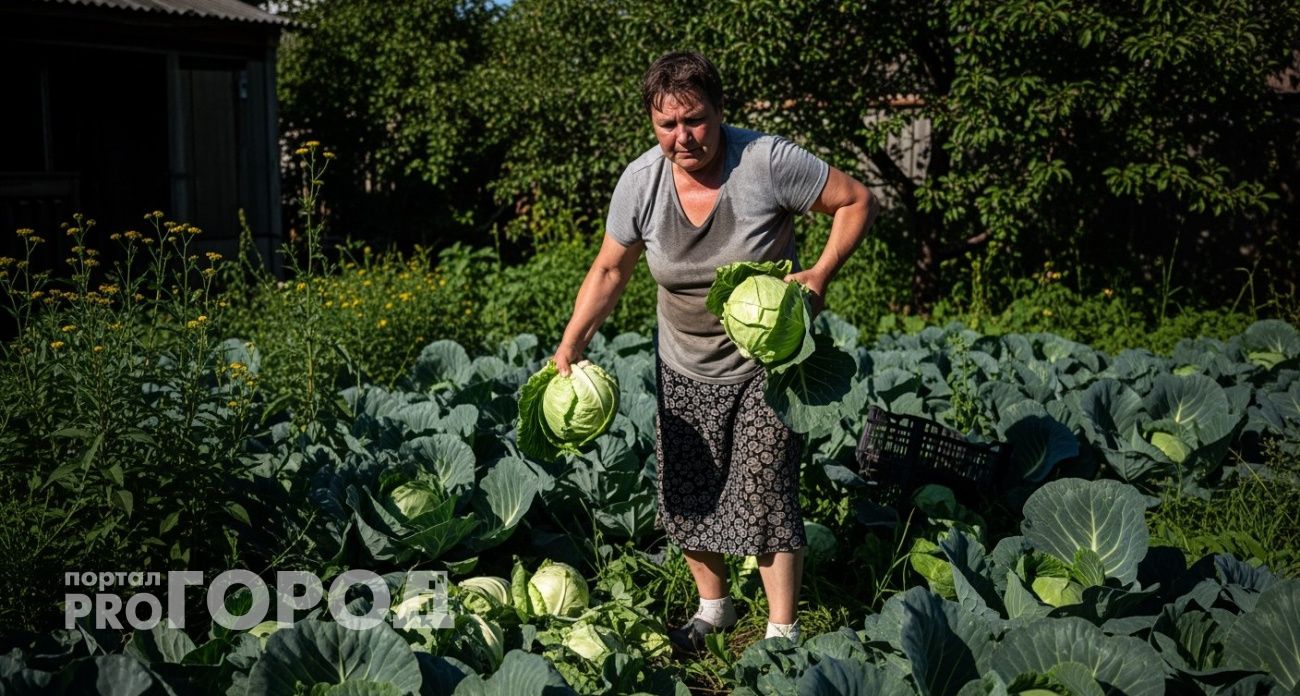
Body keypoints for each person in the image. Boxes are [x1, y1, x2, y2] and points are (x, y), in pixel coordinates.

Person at [551, 51, 877, 654]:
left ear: (719, 111)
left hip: (768, 364)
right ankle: (715, 609)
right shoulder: (640, 182)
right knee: (687, 487)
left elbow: (856, 200)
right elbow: (609, 271)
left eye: (695, 120)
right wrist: (571, 343)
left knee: (766, 485)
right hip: (682, 361)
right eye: (666, 124)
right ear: (651, 124)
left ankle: (782, 632)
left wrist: (820, 274)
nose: (683, 137)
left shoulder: (765, 161)